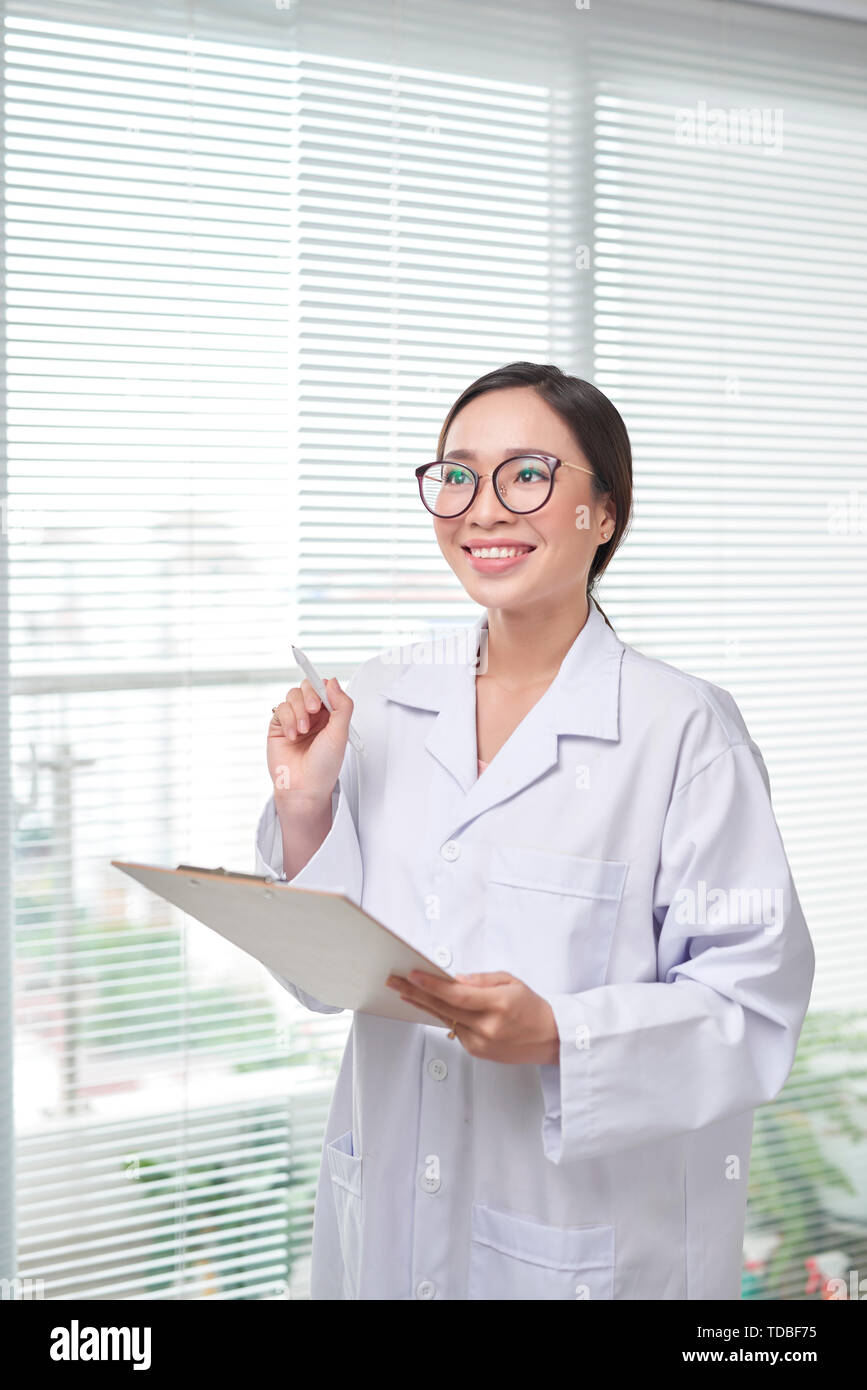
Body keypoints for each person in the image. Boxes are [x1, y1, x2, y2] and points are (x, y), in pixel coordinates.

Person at [255, 361, 815, 1301]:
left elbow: (750, 1008)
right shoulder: (385, 700)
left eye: (526, 474)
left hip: (586, 1248)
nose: (481, 507)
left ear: (605, 511)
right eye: (457, 475)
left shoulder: (681, 730)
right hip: (391, 1213)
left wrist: (563, 1033)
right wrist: (305, 805)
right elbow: (325, 980)